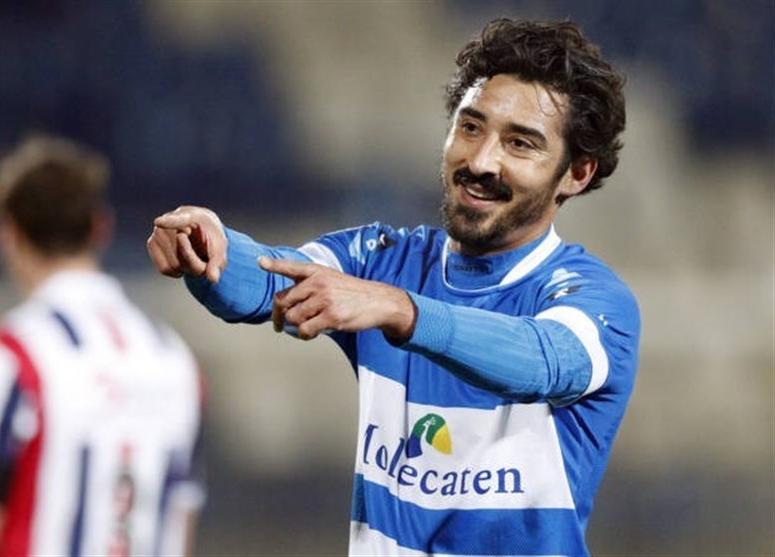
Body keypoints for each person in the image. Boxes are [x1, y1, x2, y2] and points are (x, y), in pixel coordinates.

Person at [147, 17, 640, 556]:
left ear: (577, 173)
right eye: (470, 127)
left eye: (520, 144)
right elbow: (268, 280)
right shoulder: (382, 260)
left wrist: (401, 310)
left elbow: (542, 361)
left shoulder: (595, 300)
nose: (480, 161)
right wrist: (208, 248)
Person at [0, 135, 205, 557]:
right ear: (101, 227)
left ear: (8, 235)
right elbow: (179, 521)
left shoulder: (11, 359)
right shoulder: (173, 358)